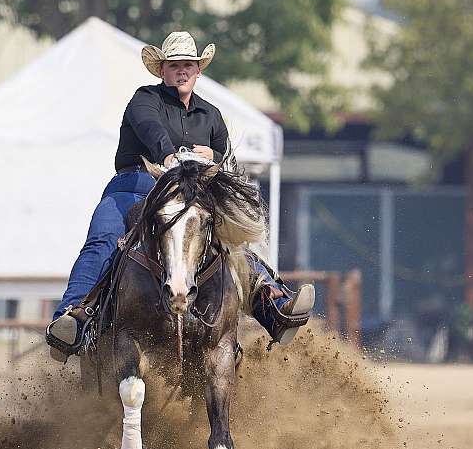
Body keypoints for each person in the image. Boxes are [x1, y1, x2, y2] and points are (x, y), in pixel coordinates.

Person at [46, 31, 314, 361]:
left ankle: (273, 304)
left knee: (233, 246)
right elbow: (150, 128)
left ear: (198, 70)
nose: (182, 71)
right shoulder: (145, 100)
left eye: (188, 64)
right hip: (136, 187)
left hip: (194, 195)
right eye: (175, 65)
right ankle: (71, 318)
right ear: (162, 70)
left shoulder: (211, 115)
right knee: (104, 241)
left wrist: (212, 159)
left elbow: (223, 158)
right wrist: (171, 156)